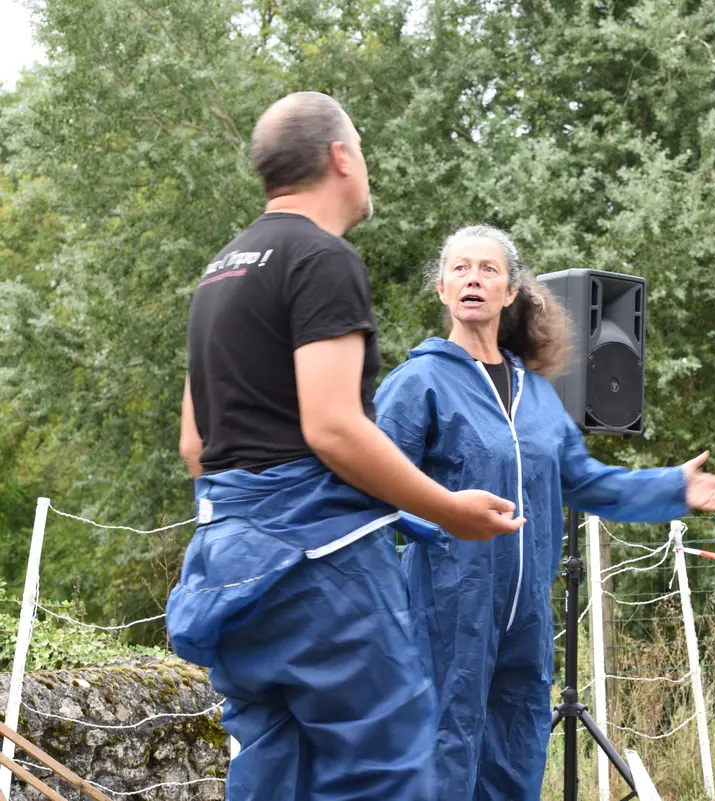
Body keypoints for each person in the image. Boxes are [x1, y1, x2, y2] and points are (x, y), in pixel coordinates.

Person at [167, 93, 523, 801]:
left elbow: (195, 444)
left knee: (276, 770)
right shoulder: (321, 258)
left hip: (225, 570)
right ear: (340, 158)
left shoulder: (220, 271)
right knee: (385, 766)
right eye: (361, 147)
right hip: (318, 574)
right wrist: (447, 509)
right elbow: (333, 427)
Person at [373, 224, 715, 800]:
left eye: (489, 269)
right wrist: (442, 525)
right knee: (442, 755)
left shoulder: (539, 396)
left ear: (511, 292)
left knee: (519, 751)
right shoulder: (417, 382)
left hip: (528, 614)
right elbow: (376, 489)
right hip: (446, 609)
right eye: (460, 268)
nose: (473, 277)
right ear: (442, 290)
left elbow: (586, 482)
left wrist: (674, 487)